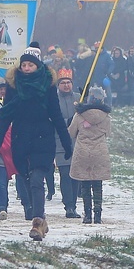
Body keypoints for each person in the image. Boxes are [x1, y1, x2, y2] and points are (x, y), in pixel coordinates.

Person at [0, 42, 74, 241]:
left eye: (30, 65)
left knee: (37, 179)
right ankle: (42, 218)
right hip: (21, 138)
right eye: (24, 65)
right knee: (27, 180)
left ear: (38, 66)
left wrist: (66, 142)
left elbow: (56, 115)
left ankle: (37, 222)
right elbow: (6, 116)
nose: (26, 69)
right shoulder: (13, 86)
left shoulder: (47, 86)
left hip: (43, 138)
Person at [69, 86, 112, 224]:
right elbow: (108, 133)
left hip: (82, 151)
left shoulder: (79, 115)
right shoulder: (106, 117)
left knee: (85, 184)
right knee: (97, 184)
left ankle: (87, 214)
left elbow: (71, 133)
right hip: (100, 151)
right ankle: (98, 213)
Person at [54, 69, 81, 218]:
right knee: (65, 174)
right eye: (63, 83)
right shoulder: (54, 100)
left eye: (68, 82)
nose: (66, 85)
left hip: (77, 142)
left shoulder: (78, 98)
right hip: (60, 143)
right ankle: (68, 206)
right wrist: (67, 122)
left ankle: (74, 204)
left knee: (75, 175)